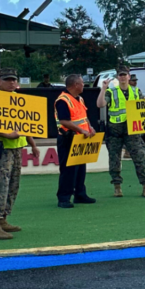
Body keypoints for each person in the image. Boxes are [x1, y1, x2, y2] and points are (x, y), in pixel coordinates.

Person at [0, 68, 40, 240]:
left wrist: (33, 145)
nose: (11, 82)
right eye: (7, 80)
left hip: (16, 148)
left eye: (14, 79)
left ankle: (3, 218)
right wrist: (8, 135)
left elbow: (26, 124)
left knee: (13, 185)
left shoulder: (19, 99)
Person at [96, 66, 145, 198]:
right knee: (114, 159)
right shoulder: (111, 91)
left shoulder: (136, 91)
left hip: (132, 130)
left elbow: (143, 104)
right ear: (117, 77)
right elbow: (100, 104)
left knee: (140, 157)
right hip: (115, 131)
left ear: (129, 76)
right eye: (120, 75)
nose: (122, 77)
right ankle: (117, 187)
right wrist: (103, 89)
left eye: (124, 75)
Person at [55, 74, 97, 208]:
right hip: (68, 138)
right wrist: (82, 130)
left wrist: (90, 127)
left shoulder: (80, 98)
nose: (84, 85)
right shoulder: (63, 100)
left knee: (80, 169)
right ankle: (64, 198)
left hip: (80, 138)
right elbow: (64, 121)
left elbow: (84, 117)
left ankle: (80, 194)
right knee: (68, 170)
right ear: (75, 85)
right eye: (82, 83)